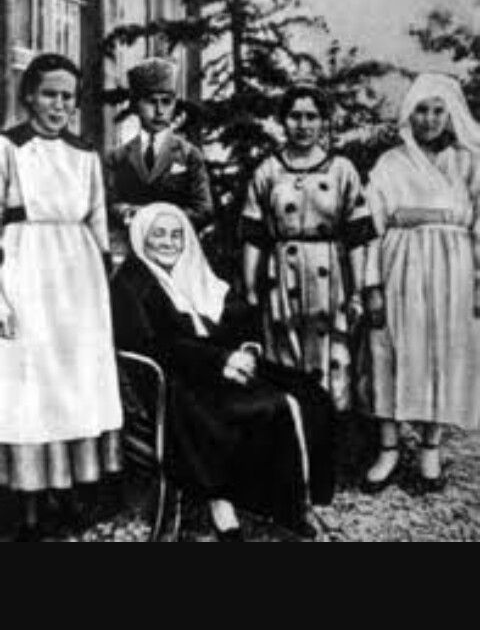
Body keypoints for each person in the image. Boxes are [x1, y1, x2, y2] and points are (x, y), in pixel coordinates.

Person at [111, 203, 336, 541]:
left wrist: (247, 351)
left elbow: (240, 316)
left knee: (309, 394)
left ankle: (286, 502)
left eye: (176, 235)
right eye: (158, 234)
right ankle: (222, 501)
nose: (169, 243)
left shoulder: (195, 269)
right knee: (263, 407)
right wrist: (220, 361)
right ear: (142, 237)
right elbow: (155, 344)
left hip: (224, 363)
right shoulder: (130, 281)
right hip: (175, 379)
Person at [0, 53, 123, 541]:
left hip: (78, 279)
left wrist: (102, 285)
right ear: (29, 95)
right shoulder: (7, 147)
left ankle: (70, 493)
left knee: (76, 382)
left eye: (67, 97)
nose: (58, 105)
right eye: (49, 94)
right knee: (30, 387)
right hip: (25, 271)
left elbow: (97, 221)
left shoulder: (85, 154)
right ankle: (27, 503)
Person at [362, 73, 480, 492]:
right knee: (389, 349)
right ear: (409, 114)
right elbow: (371, 227)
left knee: (442, 352)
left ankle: (431, 447)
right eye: (421, 110)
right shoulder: (390, 163)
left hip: (454, 269)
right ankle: (389, 448)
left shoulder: (468, 161)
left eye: (437, 111)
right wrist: (372, 285)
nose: (429, 119)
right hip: (400, 263)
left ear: (450, 115)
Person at [242, 79, 374, 413]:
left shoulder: (341, 170)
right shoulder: (268, 170)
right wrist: (251, 289)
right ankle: (291, 431)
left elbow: (358, 235)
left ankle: (332, 429)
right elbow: (253, 234)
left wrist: (357, 291)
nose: (303, 125)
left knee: (333, 356)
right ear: (283, 121)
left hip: (329, 274)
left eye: (311, 116)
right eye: (295, 116)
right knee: (284, 351)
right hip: (281, 274)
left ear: (323, 121)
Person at [106, 57, 214, 245]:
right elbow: (107, 204)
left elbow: (204, 209)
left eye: (166, 102)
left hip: (176, 248)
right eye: (151, 102)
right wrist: (125, 212)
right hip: (132, 248)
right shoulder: (118, 157)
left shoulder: (189, 155)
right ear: (135, 105)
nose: (159, 111)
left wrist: (159, 218)